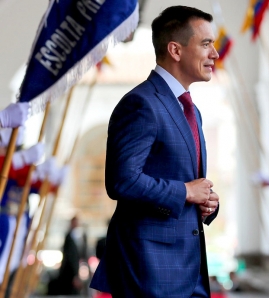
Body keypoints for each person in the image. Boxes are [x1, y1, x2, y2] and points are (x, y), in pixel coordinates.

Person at [90, 6, 220, 297]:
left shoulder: (192, 110)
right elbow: (122, 181)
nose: (215, 54)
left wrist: (206, 201)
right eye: (206, 44)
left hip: (190, 268)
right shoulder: (141, 103)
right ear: (175, 49)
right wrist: (186, 191)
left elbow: (186, 181)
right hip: (150, 268)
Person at [50, 216, 82, 295]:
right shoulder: (69, 237)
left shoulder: (74, 236)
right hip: (68, 274)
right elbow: (70, 257)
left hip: (70, 273)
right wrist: (74, 275)